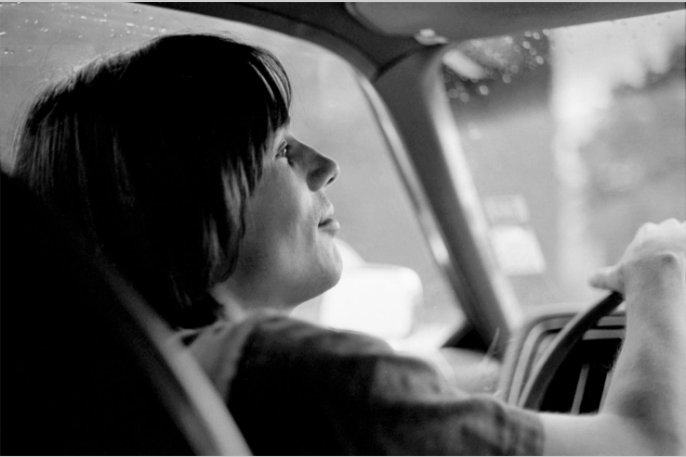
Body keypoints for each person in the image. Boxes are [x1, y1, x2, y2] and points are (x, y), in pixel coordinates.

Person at [13, 33, 686, 455]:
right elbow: (648, 444)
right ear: (186, 193)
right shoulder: (305, 379)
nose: (324, 165)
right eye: (279, 148)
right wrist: (659, 270)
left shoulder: (74, 400)